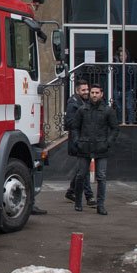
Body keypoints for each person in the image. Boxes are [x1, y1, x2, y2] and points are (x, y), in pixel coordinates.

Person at [66, 84, 119, 214]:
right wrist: (77, 141)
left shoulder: (107, 110)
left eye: (97, 92)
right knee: (81, 175)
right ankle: (78, 202)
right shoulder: (82, 109)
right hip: (84, 147)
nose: (94, 95)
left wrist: (108, 142)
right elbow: (75, 127)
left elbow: (115, 128)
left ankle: (100, 205)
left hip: (101, 147)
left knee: (101, 176)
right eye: (92, 92)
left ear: (101, 94)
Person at [63, 78, 94, 206]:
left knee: (82, 168)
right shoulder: (73, 104)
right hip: (78, 140)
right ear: (77, 91)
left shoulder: (86, 102)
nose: (87, 92)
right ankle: (89, 196)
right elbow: (69, 123)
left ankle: (71, 192)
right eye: (84, 90)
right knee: (84, 169)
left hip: (86, 139)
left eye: (87, 89)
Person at [112, 47, 137, 124]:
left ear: (127, 56)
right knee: (119, 108)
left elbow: (135, 78)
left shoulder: (131, 66)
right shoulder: (116, 66)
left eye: (124, 55)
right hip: (118, 89)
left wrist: (134, 89)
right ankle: (120, 122)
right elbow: (113, 78)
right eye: (120, 55)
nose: (122, 57)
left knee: (129, 107)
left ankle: (131, 123)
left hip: (129, 90)